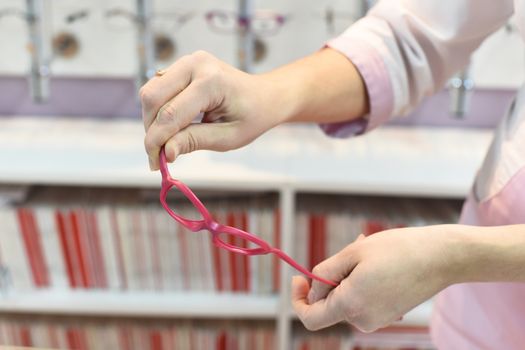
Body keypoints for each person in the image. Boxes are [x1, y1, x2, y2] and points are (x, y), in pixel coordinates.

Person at [140, 0, 525, 348]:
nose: (212, 227)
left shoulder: (456, 261)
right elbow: (416, 34)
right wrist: (270, 94)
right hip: (476, 320)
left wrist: (455, 258)